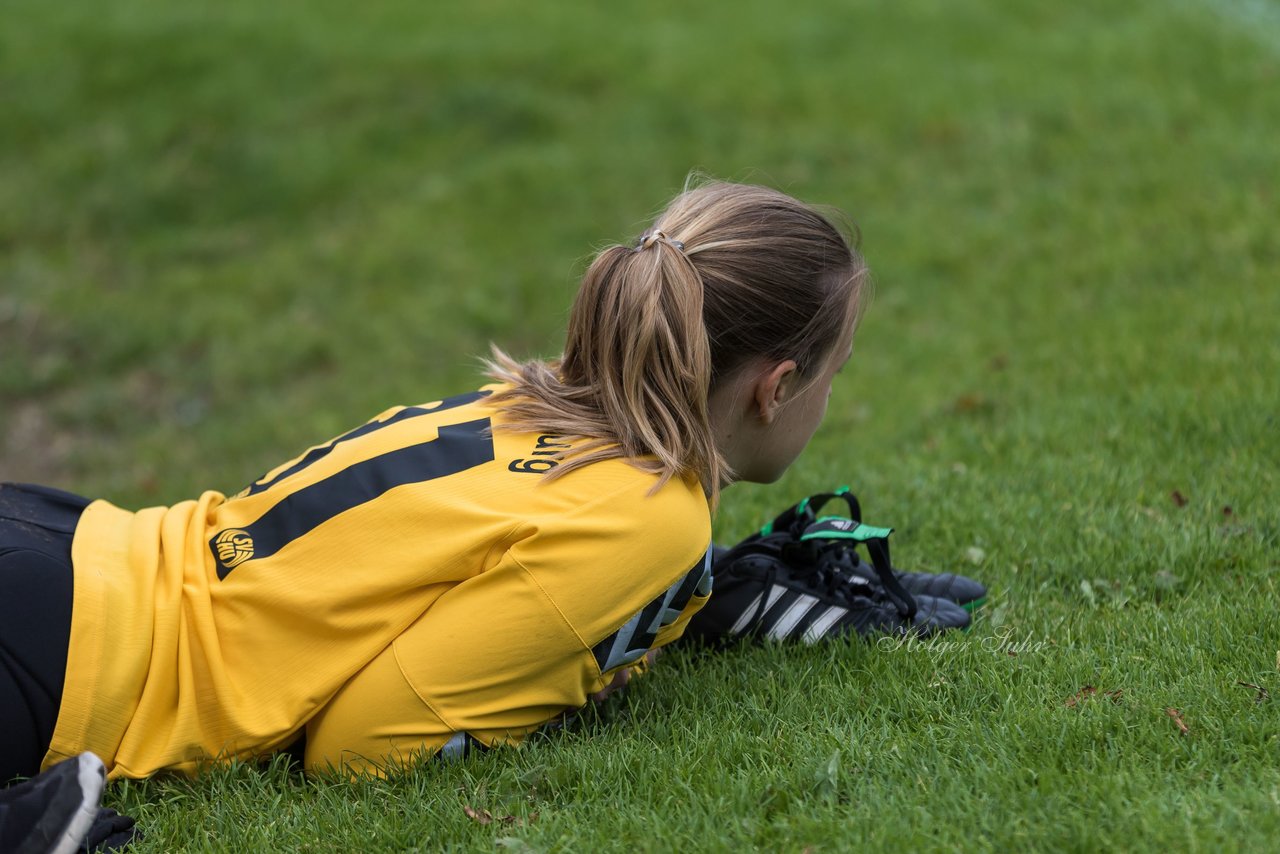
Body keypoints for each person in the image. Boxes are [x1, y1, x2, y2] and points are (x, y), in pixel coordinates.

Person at [1, 180, 981, 812]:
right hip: (74, 661)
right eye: (831, 372)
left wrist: (676, 607)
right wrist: (586, 672)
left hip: (69, 546)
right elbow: (362, 746)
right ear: (775, 385)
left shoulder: (542, 395)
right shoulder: (650, 513)